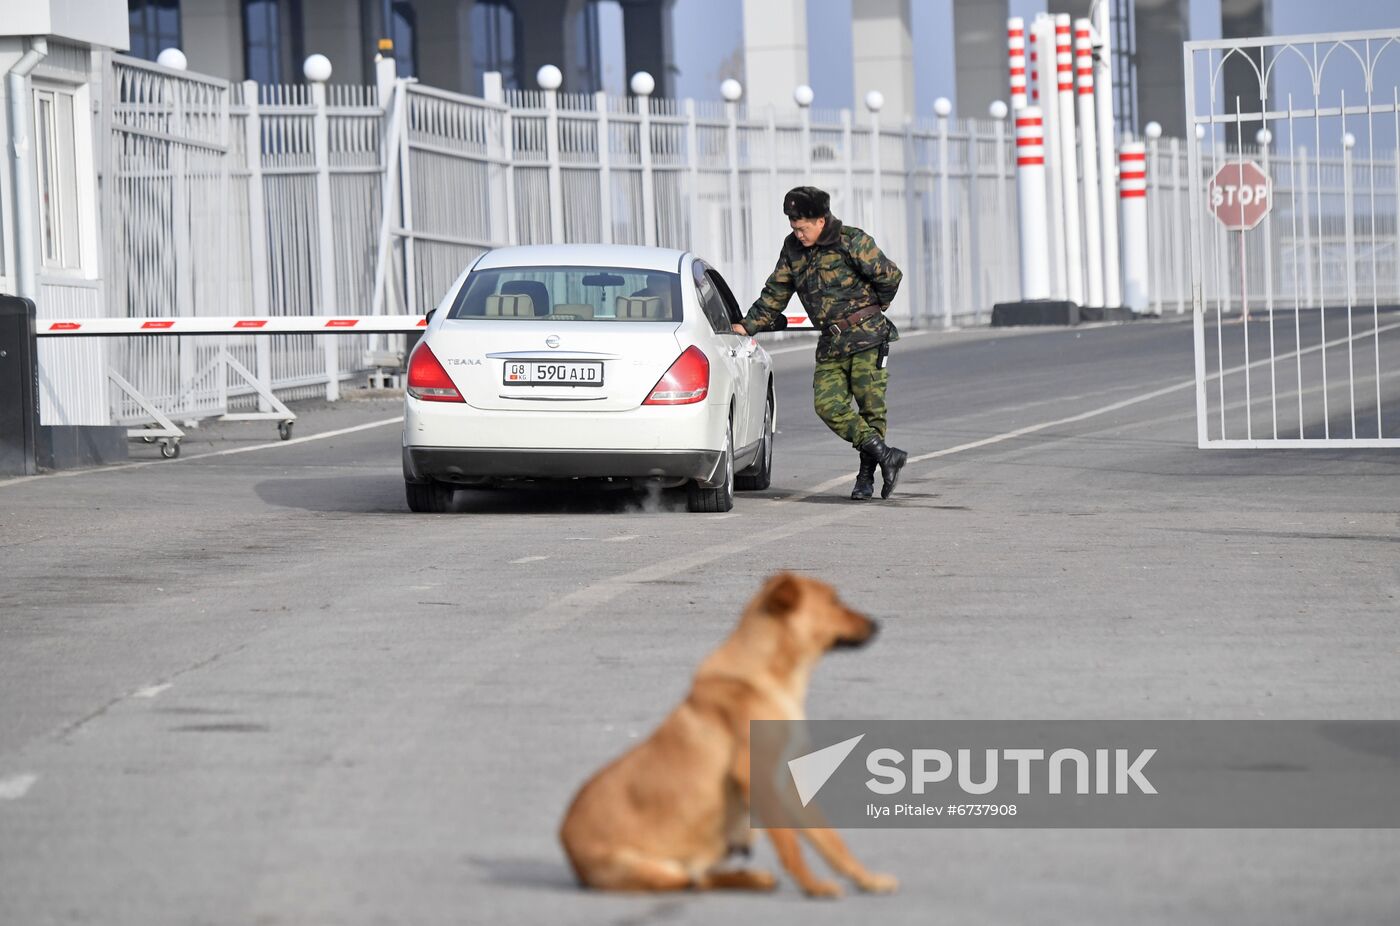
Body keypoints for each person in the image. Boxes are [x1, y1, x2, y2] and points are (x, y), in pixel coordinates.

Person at [732, 186, 908, 500]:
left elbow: (890, 276)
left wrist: (878, 304)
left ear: (821, 220)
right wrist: (747, 326)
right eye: (793, 227)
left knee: (871, 410)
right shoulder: (793, 249)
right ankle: (886, 455)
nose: (798, 234)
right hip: (831, 343)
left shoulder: (852, 241)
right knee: (827, 405)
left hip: (867, 337)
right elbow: (775, 293)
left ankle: (866, 478)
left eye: (802, 228)